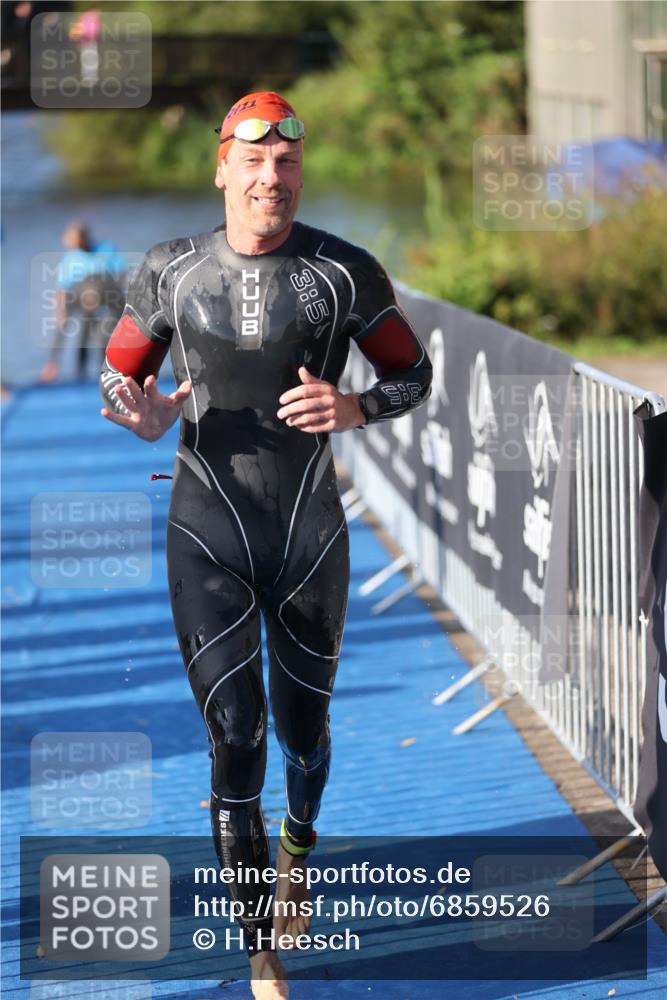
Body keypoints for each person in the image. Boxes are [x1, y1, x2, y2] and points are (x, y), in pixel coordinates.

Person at [98, 91, 432, 1000]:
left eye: (284, 164)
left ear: (298, 173)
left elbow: (413, 373)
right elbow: (118, 375)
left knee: (303, 734)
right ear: (221, 169)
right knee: (234, 737)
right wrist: (143, 411)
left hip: (308, 534)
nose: (269, 178)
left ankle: (299, 847)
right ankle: (260, 951)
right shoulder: (171, 270)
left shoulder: (343, 272)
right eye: (251, 162)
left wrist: (356, 405)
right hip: (206, 529)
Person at [41, 222, 126, 383]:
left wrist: (109, 302)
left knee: (105, 333)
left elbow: (121, 273)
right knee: (70, 324)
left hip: (108, 295)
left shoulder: (105, 249)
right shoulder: (71, 257)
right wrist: (61, 312)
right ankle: (54, 365)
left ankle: (112, 368)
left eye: (72, 239)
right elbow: (62, 289)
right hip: (84, 297)